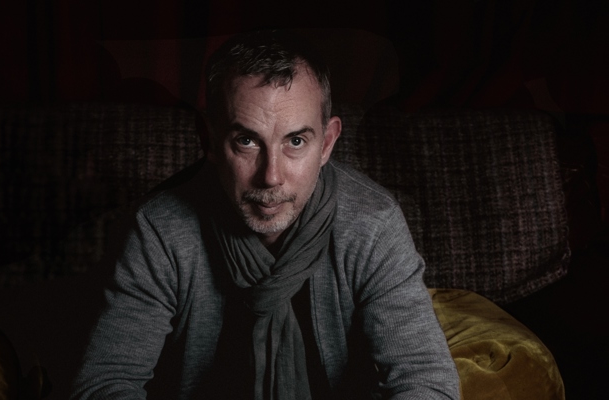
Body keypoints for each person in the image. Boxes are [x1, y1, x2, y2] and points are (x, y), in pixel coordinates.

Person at [71, 30, 460, 400]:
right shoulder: (160, 229)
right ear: (207, 140)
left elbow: (426, 378)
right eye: (247, 140)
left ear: (326, 144)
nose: (271, 175)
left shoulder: (373, 224)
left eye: (295, 141)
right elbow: (105, 382)